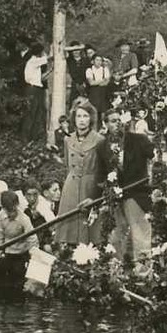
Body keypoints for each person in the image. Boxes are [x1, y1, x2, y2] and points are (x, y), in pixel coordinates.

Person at [98, 109, 156, 262]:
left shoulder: (138, 140)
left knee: (140, 236)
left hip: (136, 194)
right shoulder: (103, 146)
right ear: (105, 124)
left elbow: (155, 157)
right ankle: (118, 275)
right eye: (112, 121)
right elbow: (101, 173)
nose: (117, 124)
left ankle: (143, 275)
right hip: (115, 198)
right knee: (116, 237)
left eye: (119, 120)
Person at [56, 98, 105, 246]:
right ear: (74, 119)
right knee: (68, 231)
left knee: (89, 232)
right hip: (71, 187)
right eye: (79, 116)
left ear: (91, 119)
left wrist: (97, 193)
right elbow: (67, 165)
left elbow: (103, 169)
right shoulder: (67, 140)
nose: (82, 120)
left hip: (89, 186)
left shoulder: (99, 140)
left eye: (85, 116)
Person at [0, 191, 39, 257]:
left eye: (14, 210)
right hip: (7, 253)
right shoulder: (1, 215)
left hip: (22, 253)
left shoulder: (24, 218)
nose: (12, 214)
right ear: (3, 208)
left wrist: (34, 256)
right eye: (9, 211)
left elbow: (32, 239)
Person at [22, 41, 49, 139]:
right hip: (32, 89)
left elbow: (39, 77)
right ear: (39, 52)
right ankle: (25, 137)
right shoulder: (34, 61)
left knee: (38, 112)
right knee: (31, 113)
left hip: (37, 88)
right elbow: (48, 58)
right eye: (42, 51)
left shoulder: (35, 63)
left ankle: (33, 136)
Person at [84, 52, 114, 116]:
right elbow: (91, 83)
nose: (99, 62)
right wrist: (102, 80)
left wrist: (97, 82)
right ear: (93, 61)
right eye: (97, 60)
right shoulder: (89, 70)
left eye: (100, 60)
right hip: (93, 93)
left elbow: (106, 82)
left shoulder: (105, 69)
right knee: (94, 110)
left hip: (103, 93)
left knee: (104, 111)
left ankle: (103, 125)